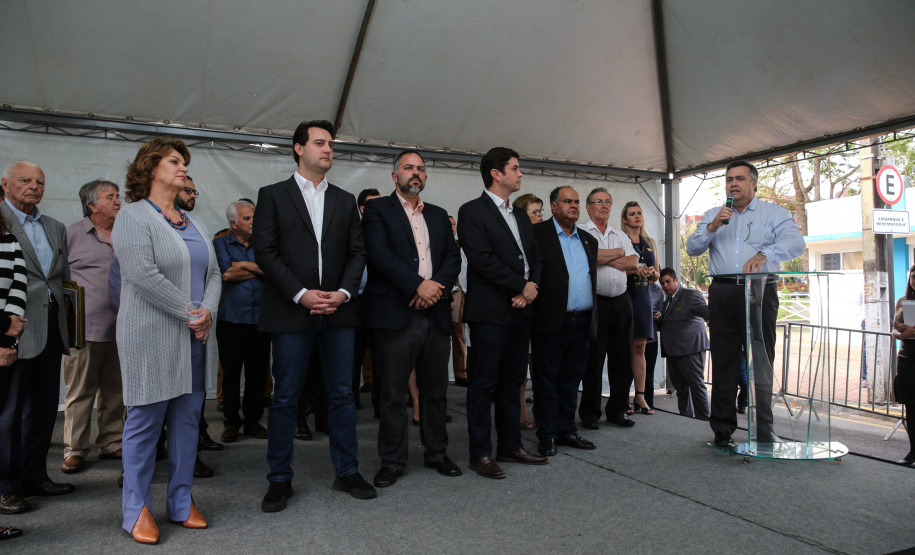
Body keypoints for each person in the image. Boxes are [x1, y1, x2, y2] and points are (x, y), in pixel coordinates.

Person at [253, 119, 373, 512]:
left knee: (342, 395)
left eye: (331, 145)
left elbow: (358, 253)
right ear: (298, 148)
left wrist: (341, 293)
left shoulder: (344, 198)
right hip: (292, 312)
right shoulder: (272, 195)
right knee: (286, 397)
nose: (328, 150)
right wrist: (302, 295)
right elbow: (266, 253)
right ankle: (279, 479)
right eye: (320, 143)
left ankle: (348, 471)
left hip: (338, 312)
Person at [113, 137, 221, 543]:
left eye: (185, 163)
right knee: (143, 423)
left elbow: (213, 273)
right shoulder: (133, 217)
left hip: (195, 336)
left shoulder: (195, 222)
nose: (183, 168)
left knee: (188, 421)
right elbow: (142, 275)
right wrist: (193, 313)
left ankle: (180, 500)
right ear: (150, 167)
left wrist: (207, 310)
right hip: (151, 335)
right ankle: (136, 508)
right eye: (175, 161)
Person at [362, 149, 462, 487]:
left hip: (434, 313)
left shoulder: (438, 214)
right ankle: (392, 460)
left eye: (420, 169)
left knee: (435, 390)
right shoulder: (377, 210)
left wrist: (434, 289)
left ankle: (437, 452)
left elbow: (452, 257)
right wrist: (418, 285)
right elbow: (379, 256)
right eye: (408, 168)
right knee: (392, 394)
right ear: (395, 176)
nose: (414, 173)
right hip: (395, 314)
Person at [686, 160, 804, 446]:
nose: (733, 184)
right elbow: (692, 248)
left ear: (754, 184)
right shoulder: (714, 215)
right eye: (729, 179)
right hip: (724, 292)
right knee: (724, 359)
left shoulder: (773, 213)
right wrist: (712, 227)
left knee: (762, 360)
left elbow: (796, 243)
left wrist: (765, 254)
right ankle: (723, 429)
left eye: (739, 179)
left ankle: (764, 428)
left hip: (760, 291)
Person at [457, 147, 547, 480]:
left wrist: (532, 285)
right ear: (496, 173)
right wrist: (519, 287)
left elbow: (536, 257)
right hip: (491, 311)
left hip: (521, 309)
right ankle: (479, 453)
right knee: (483, 383)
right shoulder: (471, 211)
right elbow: (481, 259)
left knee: (513, 381)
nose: (520, 174)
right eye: (515, 168)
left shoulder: (521, 215)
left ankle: (510, 445)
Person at [0, 160, 73, 516]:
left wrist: (71, 328)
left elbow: (63, 282)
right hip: (12, 331)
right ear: (6, 184)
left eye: (40, 182)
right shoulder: (0, 221)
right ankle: (6, 487)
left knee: (43, 411)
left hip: (51, 330)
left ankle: (34, 476)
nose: (34, 186)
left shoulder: (55, 227)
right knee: (8, 415)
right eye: (25, 180)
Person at [61, 180, 124, 475]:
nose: (117, 201)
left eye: (117, 195)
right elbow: (57, 280)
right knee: (80, 392)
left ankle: (112, 442)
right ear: (92, 205)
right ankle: (74, 449)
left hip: (121, 327)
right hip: (85, 328)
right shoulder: (70, 234)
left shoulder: (125, 231)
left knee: (116, 392)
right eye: (110, 197)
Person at [530, 187, 597, 457]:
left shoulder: (589, 240)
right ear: (553, 206)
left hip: (582, 321)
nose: (574, 206)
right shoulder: (538, 235)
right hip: (549, 320)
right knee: (546, 380)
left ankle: (567, 430)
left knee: (571, 379)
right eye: (568, 201)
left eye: (577, 202)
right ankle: (547, 433)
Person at [578, 188, 646, 430]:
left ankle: (618, 409)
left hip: (622, 301)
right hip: (595, 303)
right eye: (598, 202)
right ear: (588, 207)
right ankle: (590, 412)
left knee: (622, 357)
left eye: (608, 201)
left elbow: (633, 262)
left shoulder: (619, 234)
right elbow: (586, 258)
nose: (604, 205)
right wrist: (617, 255)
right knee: (593, 359)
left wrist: (604, 256)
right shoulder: (582, 232)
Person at [214, 200, 270, 443]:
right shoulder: (220, 243)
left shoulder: (265, 244)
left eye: (254, 217)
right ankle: (231, 422)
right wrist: (258, 268)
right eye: (247, 219)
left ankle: (252, 421)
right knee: (231, 373)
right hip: (231, 319)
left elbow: (273, 270)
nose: (253, 222)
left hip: (261, 318)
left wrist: (244, 264)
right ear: (233, 223)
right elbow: (226, 273)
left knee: (258, 372)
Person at [0, 182, 27, 535]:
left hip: (5, 342)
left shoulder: (7, 238)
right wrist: (4, 324)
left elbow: (19, 282)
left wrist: (8, 335)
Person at [655, 268, 710, 419]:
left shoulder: (690, 294)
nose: (665, 286)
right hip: (673, 351)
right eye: (662, 283)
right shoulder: (666, 302)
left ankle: (704, 419)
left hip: (690, 349)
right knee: (681, 389)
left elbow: (705, 311)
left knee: (696, 386)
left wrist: (715, 321)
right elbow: (667, 324)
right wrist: (659, 318)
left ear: (676, 280)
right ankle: (686, 419)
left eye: (668, 282)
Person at [621, 201, 659, 415]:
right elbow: (617, 269)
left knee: (640, 347)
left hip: (644, 295)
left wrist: (650, 273)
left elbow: (658, 274)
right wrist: (636, 271)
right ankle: (622, 396)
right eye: (632, 214)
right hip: (626, 294)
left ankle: (640, 396)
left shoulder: (650, 241)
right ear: (625, 219)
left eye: (640, 213)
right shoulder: (620, 239)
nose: (637, 216)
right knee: (623, 347)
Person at [512, 193, 543, 431]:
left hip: (544, 309)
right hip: (522, 306)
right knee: (520, 366)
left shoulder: (547, 237)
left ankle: (543, 411)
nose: (541, 216)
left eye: (542, 211)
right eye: (536, 212)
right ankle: (521, 411)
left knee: (541, 365)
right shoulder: (516, 238)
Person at [891, 265, 915, 466]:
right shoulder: (903, 301)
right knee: (910, 408)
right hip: (907, 359)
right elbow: (895, 331)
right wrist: (904, 333)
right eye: (913, 277)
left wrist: (911, 331)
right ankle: (913, 451)